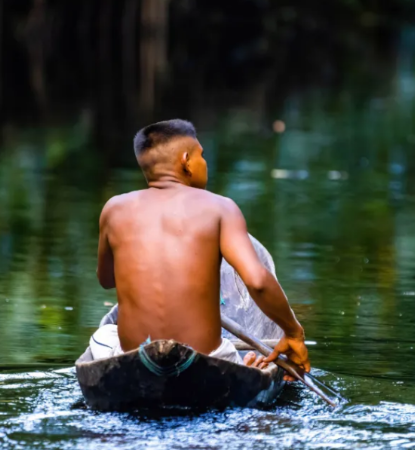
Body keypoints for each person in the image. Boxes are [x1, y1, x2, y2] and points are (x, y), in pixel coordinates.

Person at [90, 119, 310, 377]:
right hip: (208, 360)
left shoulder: (113, 209)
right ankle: (244, 368)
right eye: (201, 156)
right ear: (185, 160)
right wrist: (294, 333)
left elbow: (106, 280)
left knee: (104, 334)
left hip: (133, 358)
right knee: (230, 358)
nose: (205, 163)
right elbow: (258, 281)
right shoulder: (220, 207)